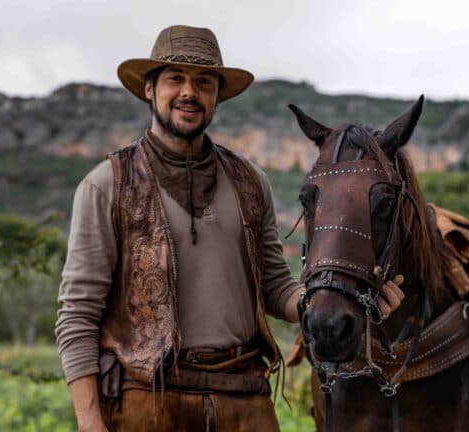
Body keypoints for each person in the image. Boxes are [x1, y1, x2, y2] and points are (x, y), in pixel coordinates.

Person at [55, 25, 405, 432]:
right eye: (175, 79)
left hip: (244, 399)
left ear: (217, 95)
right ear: (149, 89)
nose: (189, 91)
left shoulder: (250, 181)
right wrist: (89, 421)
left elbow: (276, 286)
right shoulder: (106, 184)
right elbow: (77, 314)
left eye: (203, 82)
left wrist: (337, 299)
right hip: (147, 401)